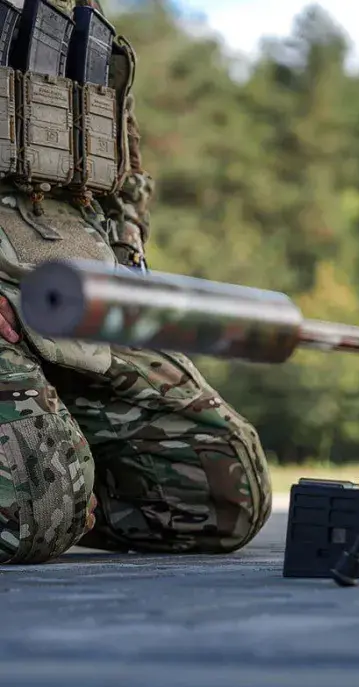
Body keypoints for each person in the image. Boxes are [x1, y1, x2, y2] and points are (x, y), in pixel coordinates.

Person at [0, 0, 272, 564]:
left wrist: (126, 264)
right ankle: (56, 493)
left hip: (71, 282)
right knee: (37, 512)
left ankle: (65, 486)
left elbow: (116, 161)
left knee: (223, 491)